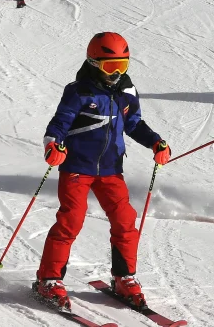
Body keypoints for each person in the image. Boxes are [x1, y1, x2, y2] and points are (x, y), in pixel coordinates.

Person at [34, 32, 172, 311]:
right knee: (71, 220)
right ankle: (48, 280)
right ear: (94, 63)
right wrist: (53, 145)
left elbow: (134, 123)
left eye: (123, 66)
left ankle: (124, 277)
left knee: (124, 219)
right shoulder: (79, 91)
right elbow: (60, 123)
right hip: (77, 168)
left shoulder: (127, 91)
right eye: (111, 67)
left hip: (110, 169)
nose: (117, 73)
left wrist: (156, 141)